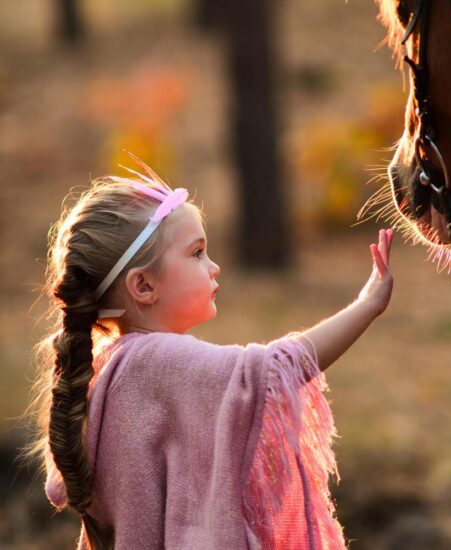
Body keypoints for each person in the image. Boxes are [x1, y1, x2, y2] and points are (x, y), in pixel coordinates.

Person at [27, 153, 393, 550]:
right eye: (197, 253)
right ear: (143, 286)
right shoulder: (157, 362)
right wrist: (368, 305)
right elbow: (272, 370)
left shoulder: (113, 364)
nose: (214, 267)